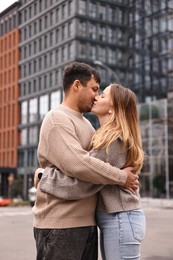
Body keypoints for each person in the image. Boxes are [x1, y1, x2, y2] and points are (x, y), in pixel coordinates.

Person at [33, 62, 139, 260]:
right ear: (76, 86)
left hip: (88, 226)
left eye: (100, 92)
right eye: (94, 89)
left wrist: (43, 176)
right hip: (60, 226)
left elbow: (93, 174)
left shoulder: (89, 126)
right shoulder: (57, 119)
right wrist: (120, 177)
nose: (96, 96)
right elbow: (81, 166)